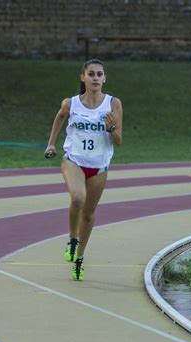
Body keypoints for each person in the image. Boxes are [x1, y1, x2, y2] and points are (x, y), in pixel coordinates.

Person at [44, 58, 123, 281]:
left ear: (105, 78)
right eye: (91, 74)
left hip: (99, 165)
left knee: (88, 214)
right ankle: (72, 238)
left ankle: (79, 259)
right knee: (78, 198)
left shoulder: (113, 104)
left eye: (99, 74)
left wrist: (112, 127)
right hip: (74, 160)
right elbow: (59, 117)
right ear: (83, 77)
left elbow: (118, 140)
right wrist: (51, 143)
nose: (95, 78)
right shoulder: (71, 103)